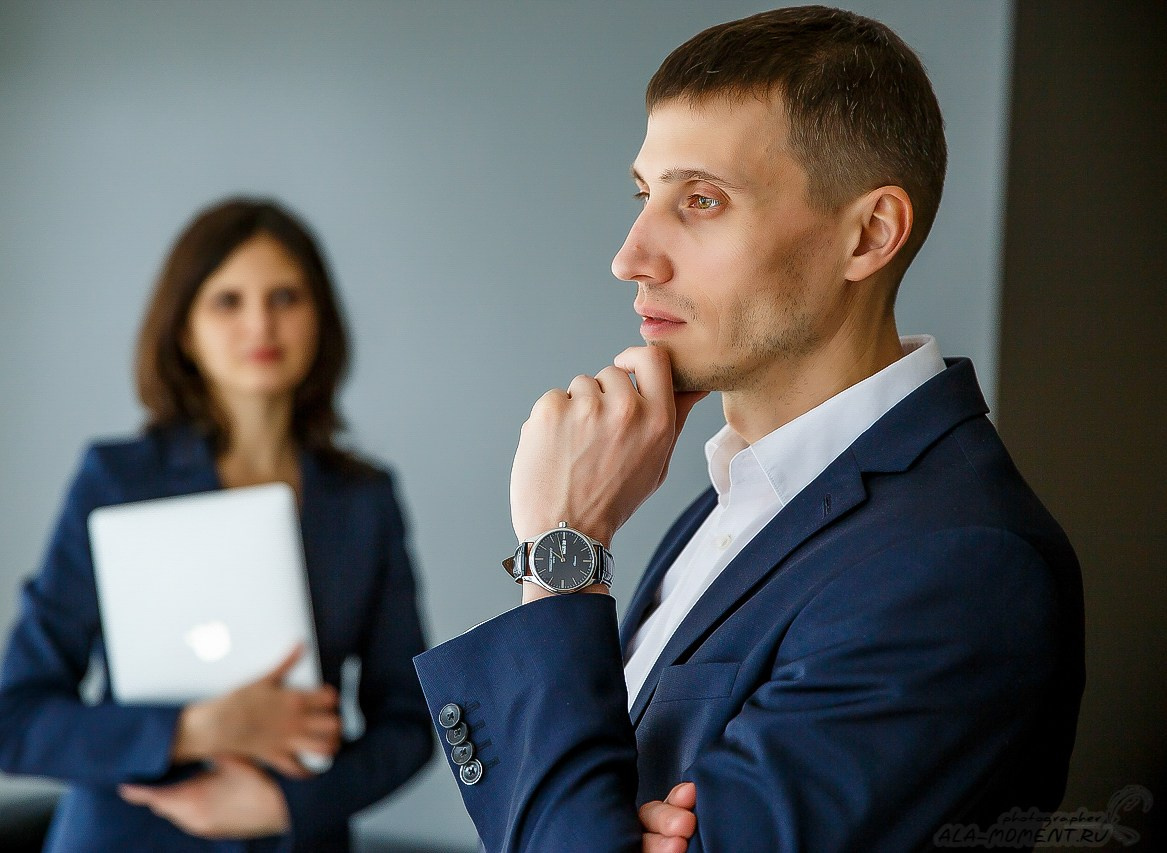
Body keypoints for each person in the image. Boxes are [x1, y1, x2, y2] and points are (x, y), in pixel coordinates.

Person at [412, 7, 1084, 852]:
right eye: (643, 194)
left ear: (869, 234)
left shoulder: (960, 567)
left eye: (700, 199)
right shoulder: (739, 497)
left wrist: (564, 552)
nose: (630, 255)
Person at [0, 198, 434, 852]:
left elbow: (410, 721)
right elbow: (16, 723)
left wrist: (284, 803)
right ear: (185, 329)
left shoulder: (365, 499)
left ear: (321, 320)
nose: (260, 322)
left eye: (285, 296)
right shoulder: (115, 481)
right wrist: (197, 728)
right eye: (227, 300)